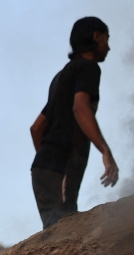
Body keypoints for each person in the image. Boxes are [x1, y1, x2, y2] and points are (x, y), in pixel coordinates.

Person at [29, 17, 118, 229]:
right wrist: (105, 150)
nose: (109, 47)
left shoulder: (61, 77)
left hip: (43, 167)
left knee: (56, 229)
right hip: (59, 165)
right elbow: (80, 107)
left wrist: (47, 161)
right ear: (96, 36)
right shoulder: (88, 68)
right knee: (65, 230)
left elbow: (37, 128)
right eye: (107, 39)